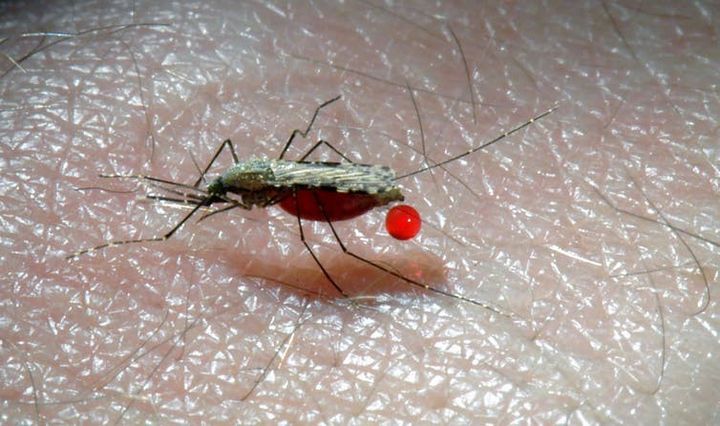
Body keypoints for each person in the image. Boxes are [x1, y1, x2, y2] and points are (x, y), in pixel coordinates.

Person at [2, 1, 716, 423]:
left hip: (308, 182)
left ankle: (342, 217)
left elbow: (263, 190)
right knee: (283, 170)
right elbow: (236, 185)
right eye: (214, 197)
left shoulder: (253, 184)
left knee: (299, 194)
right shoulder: (237, 181)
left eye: (213, 198)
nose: (211, 204)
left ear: (230, 189)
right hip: (287, 180)